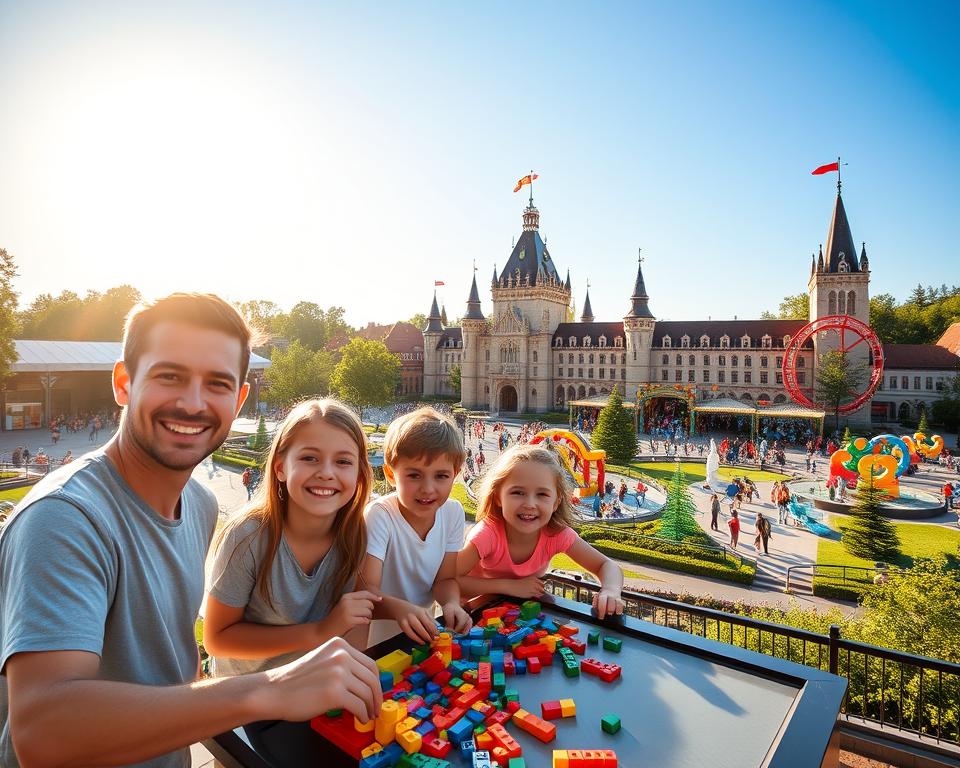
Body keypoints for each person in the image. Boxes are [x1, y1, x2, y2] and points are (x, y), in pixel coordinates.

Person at [0, 293, 381, 768]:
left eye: (218, 383)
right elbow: (42, 735)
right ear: (123, 382)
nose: (193, 402)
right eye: (170, 376)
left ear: (239, 398)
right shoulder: (64, 518)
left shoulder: (199, 502)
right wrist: (268, 688)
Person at [204, 399, 380, 676]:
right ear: (280, 468)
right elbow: (217, 640)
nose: (326, 472)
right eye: (309, 458)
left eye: (343, 461)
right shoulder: (248, 537)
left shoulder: (357, 534)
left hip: (312, 691)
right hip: (247, 700)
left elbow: (356, 619)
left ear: (359, 474)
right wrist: (320, 632)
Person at [457, 444, 625, 619]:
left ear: (556, 502)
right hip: (471, 618)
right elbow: (449, 580)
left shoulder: (557, 534)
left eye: (542, 495)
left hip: (519, 615)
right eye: (518, 492)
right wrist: (509, 586)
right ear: (498, 496)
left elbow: (607, 566)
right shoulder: (487, 534)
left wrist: (611, 591)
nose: (530, 504)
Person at [361, 407, 473, 648]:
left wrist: (451, 603)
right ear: (391, 474)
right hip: (375, 646)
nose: (428, 488)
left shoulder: (452, 512)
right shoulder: (380, 515)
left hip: (422, 640)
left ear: (456, 474)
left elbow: (445, 579)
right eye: (414, 475)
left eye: (441, 476)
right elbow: (365, 592)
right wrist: (400, 610)